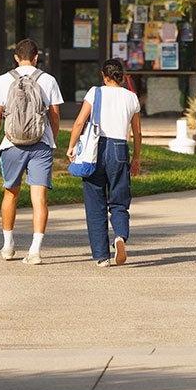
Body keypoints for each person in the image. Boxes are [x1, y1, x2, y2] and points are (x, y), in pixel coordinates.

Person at [0, 38, 64, 265]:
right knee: (40, 199)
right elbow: (55, 115)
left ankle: (8, 245)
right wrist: (52, 139)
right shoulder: (47, 80)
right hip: (41, 144)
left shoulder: (2, 80)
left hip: (11, 144)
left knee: (11, 193)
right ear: (37, 57)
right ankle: (35, 250)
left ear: (16, 57)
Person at [67, 58, 142, 267]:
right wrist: (136, 158)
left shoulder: (94, 92)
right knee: (119, 200)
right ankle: (120, 236)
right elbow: (137, 132)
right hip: (119, 149)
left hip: (95, 149)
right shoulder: (131, 98)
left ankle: (101, 256)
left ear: (104, 75)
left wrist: (71, 146)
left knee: (95, 204)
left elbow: (80, 121)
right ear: (122, 76)